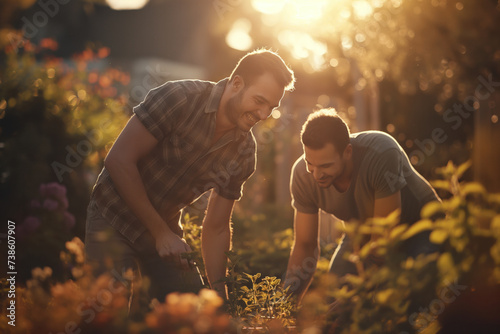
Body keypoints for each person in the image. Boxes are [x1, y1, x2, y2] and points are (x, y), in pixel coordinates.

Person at [85, 49, 295, 304]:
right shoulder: (179, 98)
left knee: (197, 313)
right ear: (237, 83)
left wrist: (219, 299)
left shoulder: (244, 151)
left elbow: (217, 228)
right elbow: (119, 160)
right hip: (113, 217)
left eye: (271, 108)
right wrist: (161, 233)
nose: (263, 115)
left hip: (165, 231)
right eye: (259, 101)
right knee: (107, 315)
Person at [284, 108, 440, 303]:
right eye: (310, 164)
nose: (316, 174)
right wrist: (284, 306)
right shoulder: (302, 175)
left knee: (411, 301)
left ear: (347, 152)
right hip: (363, 232)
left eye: (326, 166)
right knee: (333, 301)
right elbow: (305, 246)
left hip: (422, 227)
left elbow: (383, 242)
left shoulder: (382, 152)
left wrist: (353, 301)